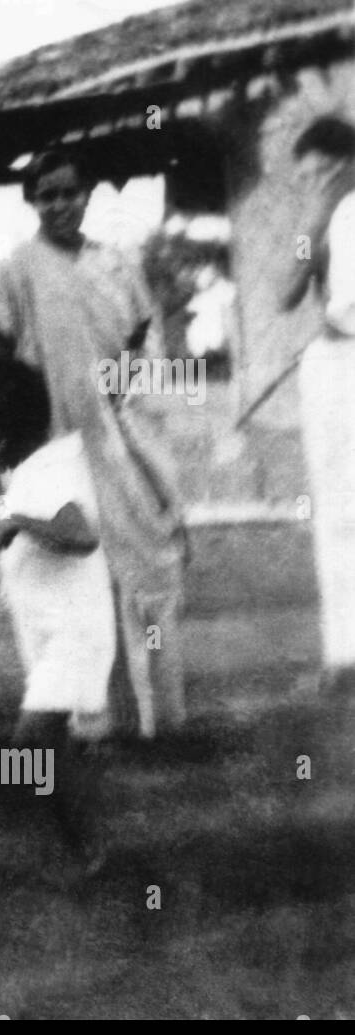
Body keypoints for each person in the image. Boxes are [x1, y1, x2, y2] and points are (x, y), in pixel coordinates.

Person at [0, 147, 188, 742]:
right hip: (52, 447)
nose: (60, 204)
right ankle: (86, 714)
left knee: (143, 569)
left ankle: (155, 715)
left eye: (70, 192)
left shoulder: (115, 263)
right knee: (72, 582)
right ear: (32, 201)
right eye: (47, 194)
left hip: (116, 439)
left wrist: (122, 393)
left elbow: (139, 341)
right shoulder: (16, 270)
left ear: (87, 196)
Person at [0, 358, 113, 881]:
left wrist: (15, 524)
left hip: (73, 638)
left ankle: (82, 848)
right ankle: (66, 815)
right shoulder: (40, 465)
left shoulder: (46, 478)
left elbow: (81, 535)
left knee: (32, 746)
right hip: (53, 635)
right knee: (51, 748)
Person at [282, 116, 355, 700]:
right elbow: (287, 290)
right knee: (336, 517)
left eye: (321, 173)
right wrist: (315, 214)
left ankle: (344, 663)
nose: (315, 184)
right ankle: (343, 659)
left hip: (345, 367)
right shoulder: (329, 216)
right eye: (307, 178)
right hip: (333, 371)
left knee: (343, 518)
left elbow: (338, 310)